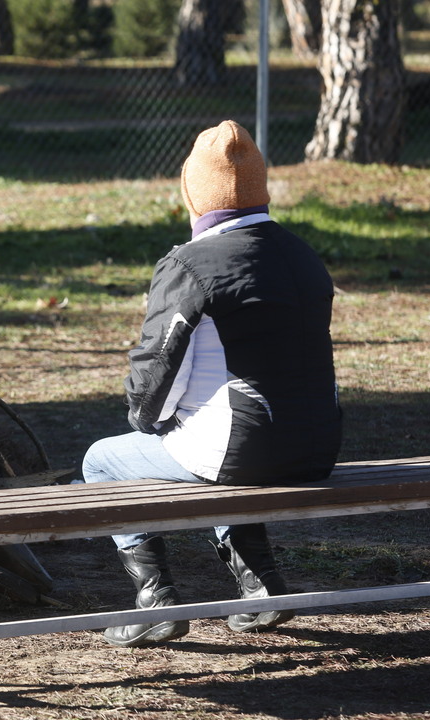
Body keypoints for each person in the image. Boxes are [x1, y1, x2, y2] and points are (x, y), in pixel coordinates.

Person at [83, 120, 342, 648]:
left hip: (245, 448)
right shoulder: (301, 254)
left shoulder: (190, 263)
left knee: (102, 461)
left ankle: (156, 602)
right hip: (320, 446)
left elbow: (157, 367)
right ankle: (260, 583)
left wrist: (147, 421)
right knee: (224, 448)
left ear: (194, 194)